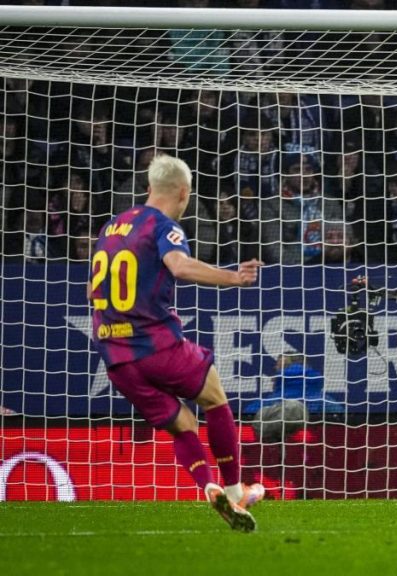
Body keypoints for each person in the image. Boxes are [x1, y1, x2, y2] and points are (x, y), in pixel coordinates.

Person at [90, 155, 266, 531]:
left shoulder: (111, 227)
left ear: (149, 188)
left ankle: (209, 487)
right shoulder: (164, 226)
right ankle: (235, 491)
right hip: (155, 345)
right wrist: (234, 278)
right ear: (184, 193)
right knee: (215, 398)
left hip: (116, 358)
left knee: (184, 424)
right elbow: (180, 266)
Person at [247, 353, 324, 443]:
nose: (275, 368)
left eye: (277, 365)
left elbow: (250, 425)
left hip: (266, 453)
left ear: (281, 369)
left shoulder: (262, 404)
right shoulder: (327, 401)